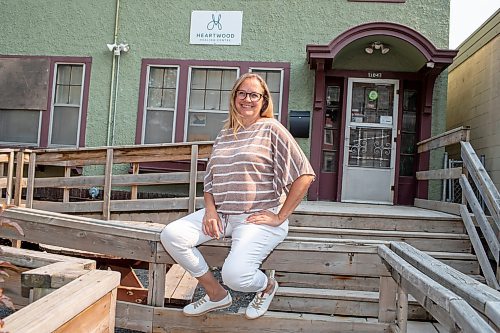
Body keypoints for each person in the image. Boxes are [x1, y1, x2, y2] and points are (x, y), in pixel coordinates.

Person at [160, 72, 315, 319]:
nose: (247, 99)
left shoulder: (271, 129)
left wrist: (280, 217)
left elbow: (305, 174)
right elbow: (209, 181)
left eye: (254, 94)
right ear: (234, 98)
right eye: (242, 93)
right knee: (172, 235)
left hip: (258, 218)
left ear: (263, 100)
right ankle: (215, 294)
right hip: (222, 214)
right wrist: (210, 211)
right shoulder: (225, 134)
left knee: (236, 275)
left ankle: (266, 286)